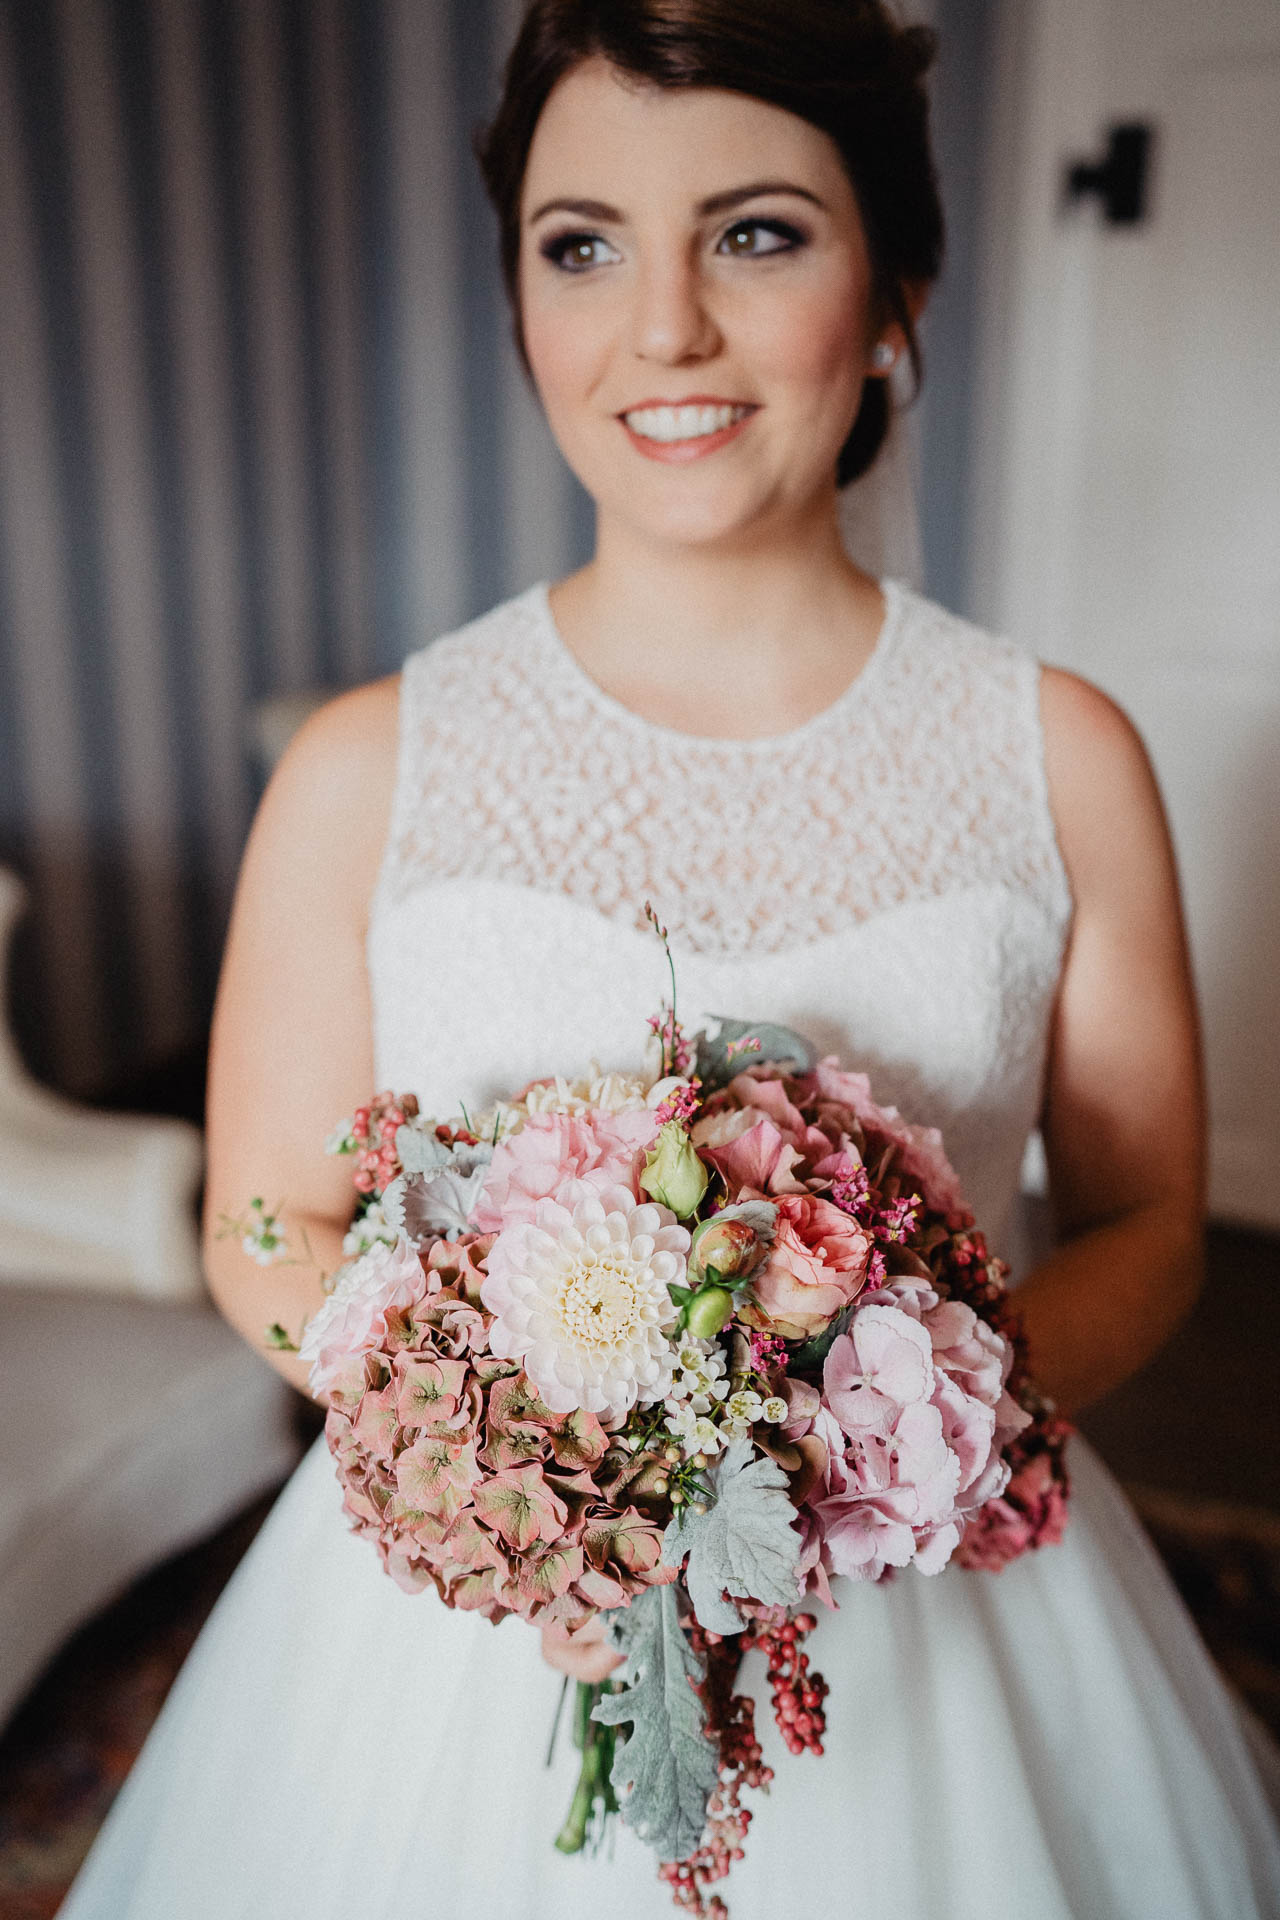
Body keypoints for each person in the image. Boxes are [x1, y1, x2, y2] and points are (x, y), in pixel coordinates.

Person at [58, 3, 1280, 1915]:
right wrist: (509, 1427)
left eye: (759, 230)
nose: (665, 329)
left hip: (949, 1610)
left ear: (899, 279)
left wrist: (880, 1414)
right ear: (520, 296)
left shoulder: (1062, 756)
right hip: (458, 1652)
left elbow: (1146, 1227)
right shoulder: (366, 762)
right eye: (582, 245)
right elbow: (262, 1219)